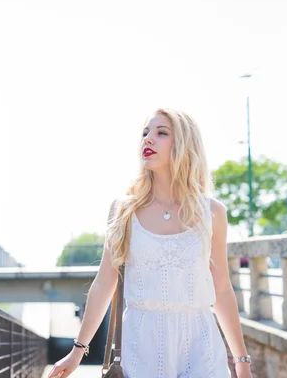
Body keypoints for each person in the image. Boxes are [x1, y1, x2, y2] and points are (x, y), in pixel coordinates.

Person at [48, 109, 252, 377]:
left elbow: (222, 289)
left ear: (184, 144)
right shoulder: (124, 210)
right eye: (145, 132)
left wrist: (241, 361)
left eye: (161, 133)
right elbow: (104, 283)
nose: (148, 139)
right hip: (141, 346)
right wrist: (78, 351)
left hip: (201, 346)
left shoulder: (212, 212)